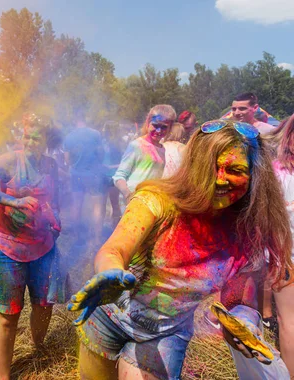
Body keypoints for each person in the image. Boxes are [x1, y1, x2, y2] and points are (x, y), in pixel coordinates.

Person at [68, 119, 293, 380]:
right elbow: (114, 250)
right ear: (195, 165)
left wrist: (244, 323)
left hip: (166, 335)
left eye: (235, 169)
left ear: (255, 175)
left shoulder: (247, 233)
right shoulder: (157, 202)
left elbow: (239, 300)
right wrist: (110, 274)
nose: (220, 179)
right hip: (109, 316)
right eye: (211, 167)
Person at [0, 113, 62, 380]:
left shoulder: (52, 165)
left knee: (44, 305)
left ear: (47, 140)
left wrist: (56, 219)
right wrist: (14, 202)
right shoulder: (10, 160)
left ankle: (38, 349)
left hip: (43, 247)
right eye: (27, 136)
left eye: (37, 137)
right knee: (9, 316)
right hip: (7, 248)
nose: (31, 142)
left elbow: (54, 201)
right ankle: (4, 376)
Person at [270, 114, 294, 375]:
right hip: (285, 256)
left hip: (283, 254)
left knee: (289, 322)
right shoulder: (277, 172)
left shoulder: (276, 172)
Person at [113, 105, 176, 200]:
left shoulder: (163, 149)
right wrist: (128, 195)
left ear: (170, 128)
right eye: (155, 125)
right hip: (132, 202)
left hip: (149, 202)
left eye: (164, 127)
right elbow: (119, 176)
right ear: (148, 123)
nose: (159, 130)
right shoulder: (136, 145)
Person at [64, 113, 106, 247]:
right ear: (85, 119)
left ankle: (76, 236)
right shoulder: (95, 134)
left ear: (75, 120)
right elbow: (101, 154)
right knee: (97, 206)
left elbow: (67, 160)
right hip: (93, 174)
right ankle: (97, 239)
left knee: (77, 205)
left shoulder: (69, 137)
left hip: (76, 174)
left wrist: (77, 165)